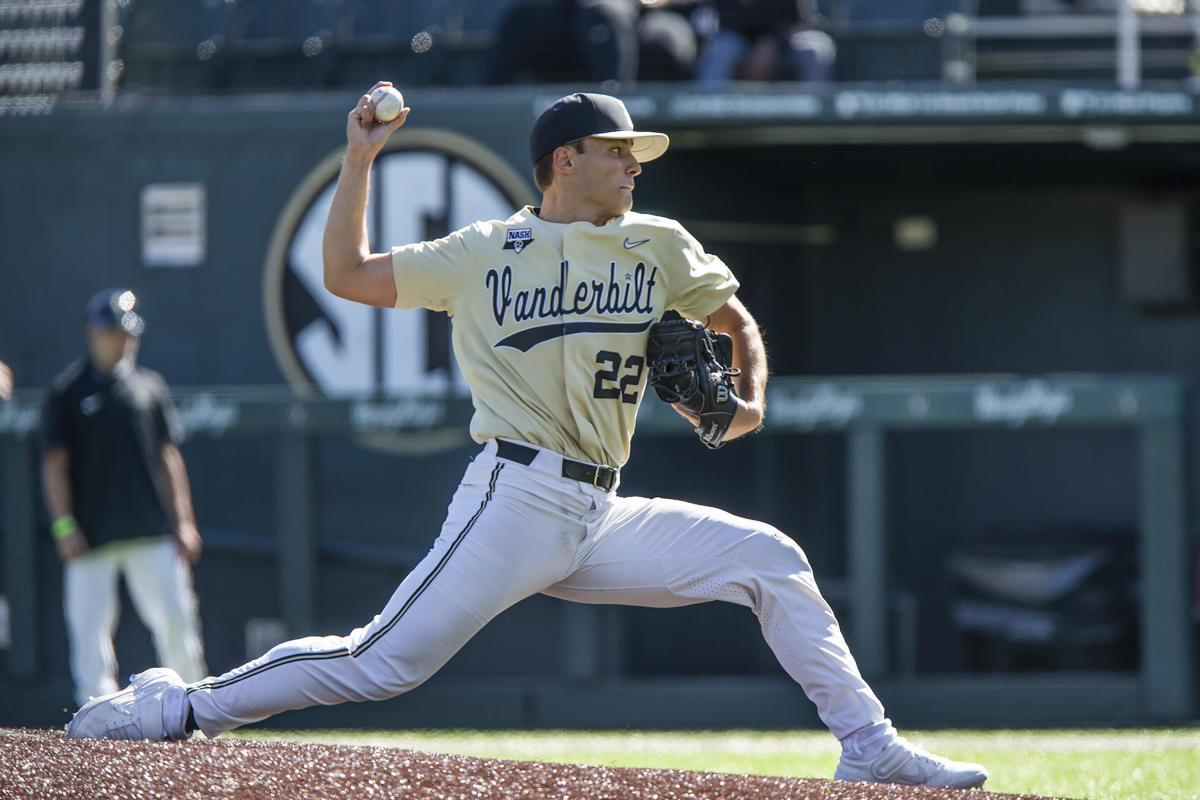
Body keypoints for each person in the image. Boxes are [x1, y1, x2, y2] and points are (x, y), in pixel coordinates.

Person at [66, 87, 988, 790]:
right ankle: (178, 706)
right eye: (616, 151)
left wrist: (747, 399)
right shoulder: (483, 251)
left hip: (599, 510)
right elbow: (345, 273)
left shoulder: (657, 243)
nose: (634, 164)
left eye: (636, 153)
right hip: (515, 495)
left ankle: (867, 747)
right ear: (563, 160)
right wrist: (359, 160)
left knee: (771, 561)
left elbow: (736, 321)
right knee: (380, 662)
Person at [42, 289, 207, 707]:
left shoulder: (150, 387)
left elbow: (169, 458)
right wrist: (63, 526)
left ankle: (194, 712)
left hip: (151, 532)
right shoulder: (66, 392)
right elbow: (54, 466)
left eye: (126, 333)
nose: (121, 340)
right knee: (89, 638)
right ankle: (95, 724)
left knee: (176, 624)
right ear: (92, 333)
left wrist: (184, 522)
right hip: (91, 538)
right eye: (111, 331)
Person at [695, 0, 836, 86]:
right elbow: (722, 22)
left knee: (815, 50)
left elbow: (801, 21)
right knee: (721, 48)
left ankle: (815, 115)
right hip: (739, 42)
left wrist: (772, 41)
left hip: (784, 43)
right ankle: (707, 110)